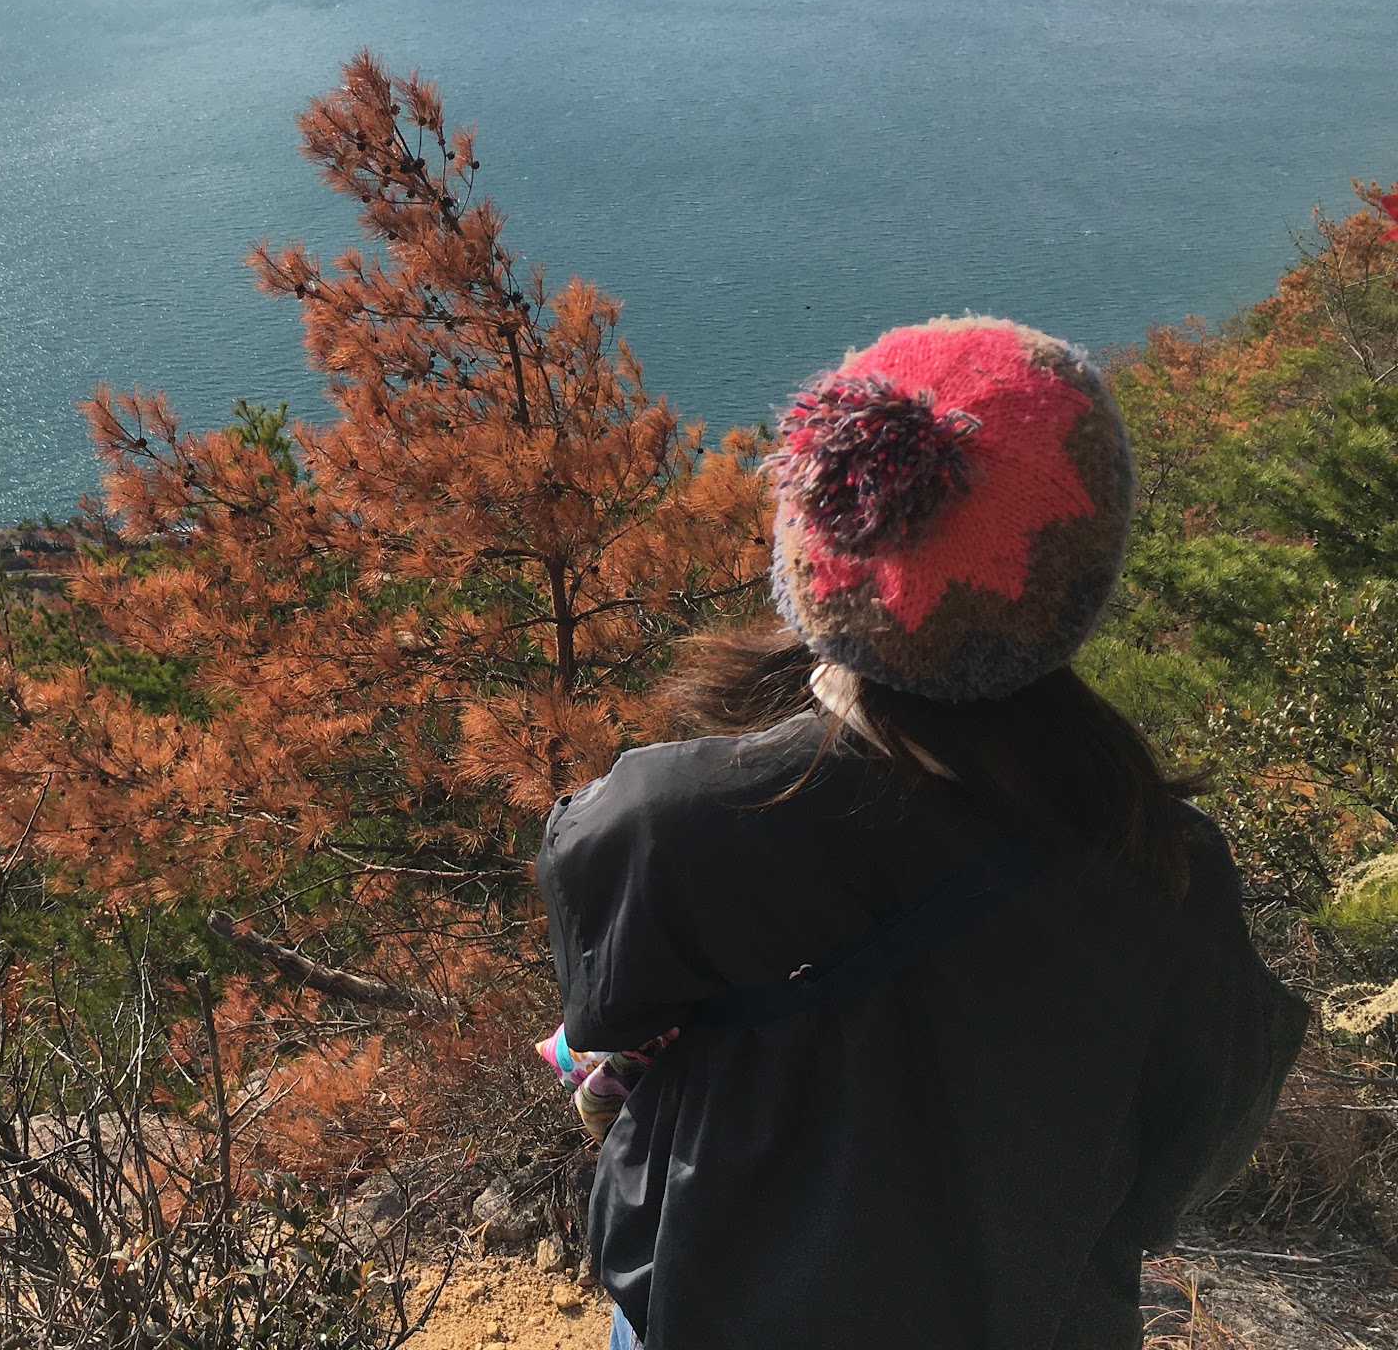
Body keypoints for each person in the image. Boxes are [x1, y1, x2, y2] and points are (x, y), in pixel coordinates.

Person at [536, 316, 1309, 1350]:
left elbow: (604, 1021)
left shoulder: (664, 820)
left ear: (812, 552)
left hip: (709, 1300)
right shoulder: (1169, 864)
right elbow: (1189, 1152)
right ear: (1076, 581)